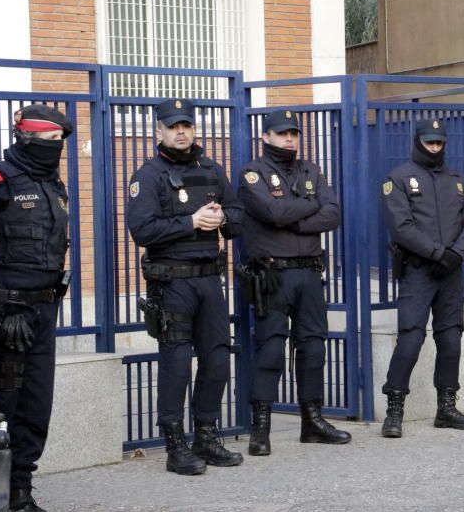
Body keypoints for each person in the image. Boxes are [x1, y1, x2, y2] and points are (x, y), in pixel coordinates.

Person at [126, 98, 245, 475]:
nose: (181, 132)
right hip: (172, 282)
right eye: (173, 126)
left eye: (187, 125)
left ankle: (206, 436)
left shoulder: (211, 170)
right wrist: (191, 221)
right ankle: (175, 445)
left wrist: (224, 215)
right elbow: (142, 230)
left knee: (217, 359)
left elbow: (239, 214)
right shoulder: (148, 176)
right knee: (176, 364)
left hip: (210, 280)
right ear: (158, 131)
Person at [237, 108, 350, 456]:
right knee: (271, 347)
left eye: (294, 133)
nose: (289, 138)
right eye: (282, 133)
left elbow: (333, 213)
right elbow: (272, 213)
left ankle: (312, 421)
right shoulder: (252, 174)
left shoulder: (311, 170)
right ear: (266, 137)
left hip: (309, 273)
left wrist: (295, 218)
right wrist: (309, 205)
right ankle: (261, 427)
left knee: (314, 345)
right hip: (273, 274)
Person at [0, 105, 72, 512]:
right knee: (8, 405)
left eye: (60, 143)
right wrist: (1, 303)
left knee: (37, 406)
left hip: (44, 310)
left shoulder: (52, 185)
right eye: (49, 143)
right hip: (10, 314)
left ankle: (22, 499)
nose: (55, 150)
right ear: (25, 138)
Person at [379, 118, 464, 438]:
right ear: (418, 141)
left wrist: (455, 255)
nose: (435, 147)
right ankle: (394, 411)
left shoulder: (457, 179)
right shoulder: (398, 178)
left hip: (450, 271)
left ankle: (446, 408)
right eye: (429, 142)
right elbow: (402, 227)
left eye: (439, 142)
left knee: (451, 339)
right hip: (418, 270)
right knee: (411, 338)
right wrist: (438, 254)